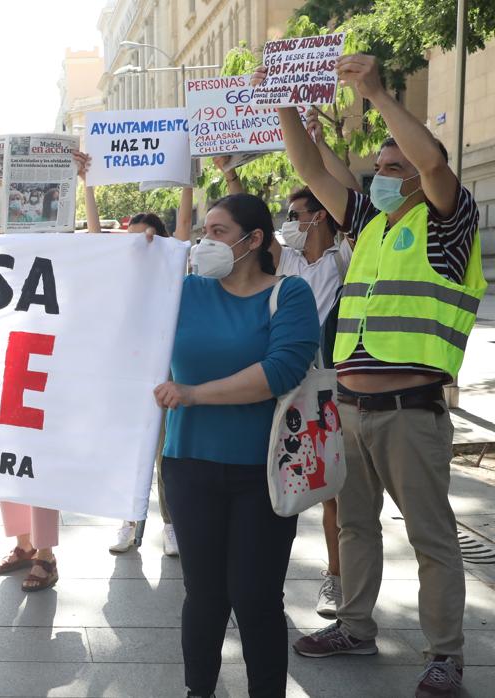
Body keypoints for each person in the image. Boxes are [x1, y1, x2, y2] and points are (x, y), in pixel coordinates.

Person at [271, 55, 483, 698]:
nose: (383, 176)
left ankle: (445, 654)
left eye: (396, 167)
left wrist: (376, 93)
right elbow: (310, 167)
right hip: (352, 410)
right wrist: (283, 99)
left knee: (431, 538)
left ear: (421, 176)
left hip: (410, 412)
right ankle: (355, 625)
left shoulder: (447, 222)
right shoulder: (365, 226)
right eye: (380, 167)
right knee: (355, 526)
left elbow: (435, 165)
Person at [155, 194, 319, 698]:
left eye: (219, 232)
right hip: (189, 465)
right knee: (203, 596)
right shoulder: (184, 290)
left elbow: (280, 371)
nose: (207, 242)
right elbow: (112, 301)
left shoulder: (290, 295)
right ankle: (197, 691)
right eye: (204, 231)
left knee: (255, 598)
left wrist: (193, 394)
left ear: (254, 241)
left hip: (263, 472)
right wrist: (140, 253)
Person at [218, 137, 359, 618]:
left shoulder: (346, 260)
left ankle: (336, 579)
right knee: (287, 478)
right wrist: (231, 175)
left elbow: (348, 190)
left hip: (334, 386)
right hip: (291, 388)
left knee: (336, 493)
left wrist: (320, 146)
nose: (290, 224)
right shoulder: (289, 261)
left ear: (318, 216)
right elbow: (255, 228)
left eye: (296, 215)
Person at [76, 151, 193, 557]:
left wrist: (187, 175)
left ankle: (172, 525)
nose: (136, 245)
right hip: (126, 374)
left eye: (144, 238)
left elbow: (182, 228)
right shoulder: (119, 271)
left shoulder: (170, 266)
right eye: (130, 238)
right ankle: (128, 522)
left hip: (166, 372)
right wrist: (86, 182)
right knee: (132, 449)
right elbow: (93, 235)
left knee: (164, 453)